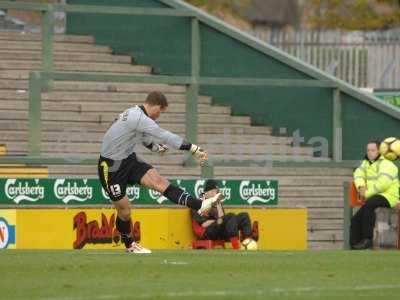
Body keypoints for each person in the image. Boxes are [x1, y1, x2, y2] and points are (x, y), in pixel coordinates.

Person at [98, 91, 224, 253]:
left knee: (159, 182)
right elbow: (165, 135)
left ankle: (201, 205)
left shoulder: (133, 112)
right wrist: (193, 149)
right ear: (156, 105)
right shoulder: (140, 118)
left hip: (128, 159)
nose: (159, 115)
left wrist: (154, 147)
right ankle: (130, 245)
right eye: (160, 111)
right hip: (110, 166)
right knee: (124, 211)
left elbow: (138, 135)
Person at [351, 140, 399, 250]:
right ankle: (354, 245)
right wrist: (361, 187)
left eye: (373, 150)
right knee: (355, 219)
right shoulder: (366, 163)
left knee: (369, 204)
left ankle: (367, 239)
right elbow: (358, 174)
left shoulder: (387, 164)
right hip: (373, 196)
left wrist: (365, 193)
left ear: (380, 151)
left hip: (389, 196)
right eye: (368, 150)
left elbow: (383, 184)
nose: (369, 152)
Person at [191, 179, 257, 249]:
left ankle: (248, 240)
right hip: (206, 232)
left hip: (219, 229)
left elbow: (223, 218)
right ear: (206, 192)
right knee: (230, 216)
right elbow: (204, 224)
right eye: (213, 191)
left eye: (216, 191)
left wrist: (218, 204)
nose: (215, 193)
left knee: (244, 216)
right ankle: (236, 246)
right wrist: (218, 221)